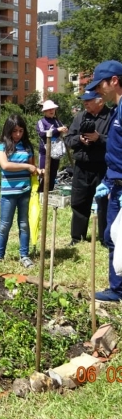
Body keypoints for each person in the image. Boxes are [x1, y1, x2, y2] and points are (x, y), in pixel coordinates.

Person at [90, 60, 122, 302]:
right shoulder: (117, 109)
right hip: (115, 182)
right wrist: (109, 181)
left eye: (100, 85)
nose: (98, 91)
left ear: (114, 80)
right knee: (112, 236)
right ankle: (117, 288)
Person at [64, 90, 110, 246]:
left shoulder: (111, 117)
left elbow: (117, 142)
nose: (85, 103)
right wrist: (80, 139)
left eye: (88, 100)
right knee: (79, 201)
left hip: (102, 167)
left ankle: (105, 238)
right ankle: (77, 237)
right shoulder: (80, 117)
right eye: (84, 100)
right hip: (81, 167)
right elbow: (69, 140)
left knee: (104, 203)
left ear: (99, 101)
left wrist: (99, 138)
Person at [0, 115, 39, 268]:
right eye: (14, 131)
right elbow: (5, 166)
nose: (18, 134)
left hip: (25, 191)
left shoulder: (27, 147)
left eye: (21, 131)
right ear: (8, 131)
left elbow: (33, 168)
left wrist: (38, 170)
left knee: (24, 224)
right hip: (8, 193)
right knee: (5, 225)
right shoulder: (0, 146)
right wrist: (27, 167)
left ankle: (24, 255)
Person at [36, 100, 68, 192]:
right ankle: (40, 192)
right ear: (44, 111)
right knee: (44, 172)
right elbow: (42, 133)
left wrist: (64, 130)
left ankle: (50, 191)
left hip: (56, 152)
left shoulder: (57, 121)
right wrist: (57, 130)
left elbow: (62, 132)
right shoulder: (41, 122)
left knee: (53, 173)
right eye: (49, 109)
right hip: (45, 153)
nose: (51, 111)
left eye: (53, 109)